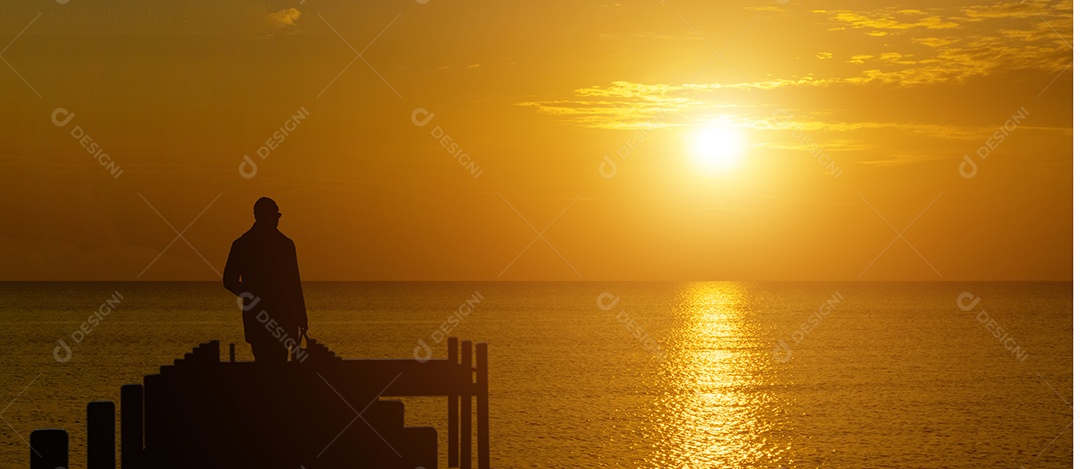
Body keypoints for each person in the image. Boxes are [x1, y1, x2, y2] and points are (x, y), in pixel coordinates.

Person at [223, 197, 307, 363]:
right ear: (261, 216)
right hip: (267, 317)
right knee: (271, 365)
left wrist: (301, 316)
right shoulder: (247, 244)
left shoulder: (283, 244)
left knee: (270, 365)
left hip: (274, 317)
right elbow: (229, 279)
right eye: (276, 215)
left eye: (278, 215)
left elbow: (294, 283)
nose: (277, 219)